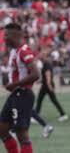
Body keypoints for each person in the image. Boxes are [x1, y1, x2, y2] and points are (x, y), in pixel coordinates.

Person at [0, 23, 40, 153]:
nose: (4, 38)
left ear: (15, 35)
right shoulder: (13, 51)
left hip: (23, 94)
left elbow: (35, 74)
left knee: (21, 134)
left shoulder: (24, 51)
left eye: (6, 35)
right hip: (15, 95)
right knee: (2, 129)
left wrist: (14, 84)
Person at [35, 52, 68, 122]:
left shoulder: (47, 64)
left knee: (52, 100)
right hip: (45, 85)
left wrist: (49, 85)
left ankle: (63, 115)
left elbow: (48, 75)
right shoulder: (46, 64)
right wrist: (40, 81)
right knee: (40, 100)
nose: (39, 57)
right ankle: (36, 115)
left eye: (41, 56)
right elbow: (45, 76)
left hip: (47, 86)